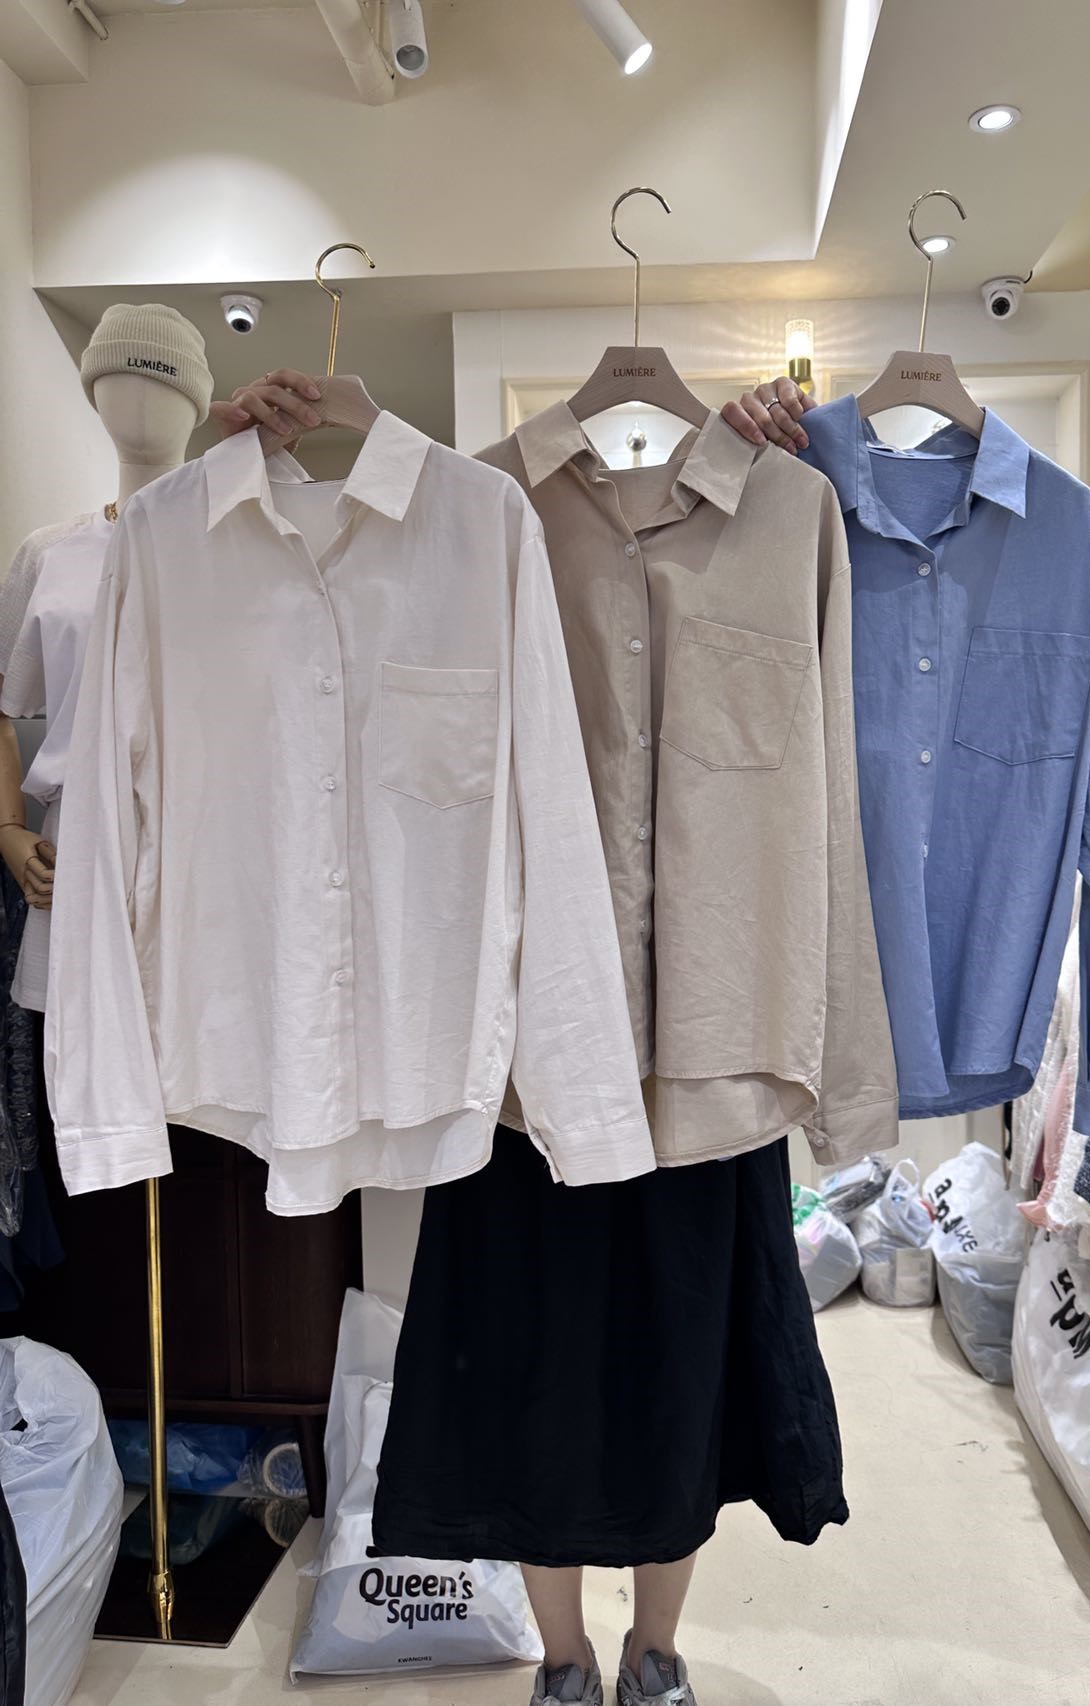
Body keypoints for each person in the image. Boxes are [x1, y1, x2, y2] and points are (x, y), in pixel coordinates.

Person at [211, 371, 854, 1706]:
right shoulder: (470, 508)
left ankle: (656, 1650)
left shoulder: (792, 511)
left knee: (685, 1373)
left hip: (708, 1061)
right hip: (521, 1061)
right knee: (532, 1375)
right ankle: (563, 1656)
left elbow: (832, 788)